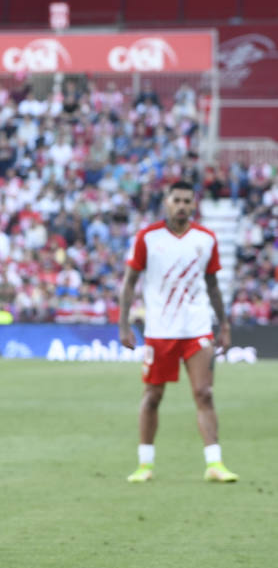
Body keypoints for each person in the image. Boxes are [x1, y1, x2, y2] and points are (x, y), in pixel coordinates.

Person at [118, 181, 237, 483]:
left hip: (196, 328)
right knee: (153, 396)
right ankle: (145, 463)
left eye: (187, 201)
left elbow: (212, 284)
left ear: (193, 204)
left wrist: (223, 324)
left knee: (204, 393)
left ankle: (215, 463)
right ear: (167, 203)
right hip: (159, 331)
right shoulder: (148, 237)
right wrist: (123, 323)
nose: (182, 206)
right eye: (177, 200)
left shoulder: (206, 239)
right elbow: (130, 282)